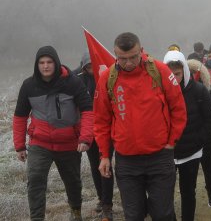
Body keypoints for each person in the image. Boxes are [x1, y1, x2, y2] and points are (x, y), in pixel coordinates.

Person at [94, 32, 187, 221]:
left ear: (141, 51)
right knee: (133, 215)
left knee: (162, 213)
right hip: (127, 161)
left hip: (159, 156)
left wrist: (172, 141)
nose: (128, 63)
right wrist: (104, 155)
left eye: (133, 57)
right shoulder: (107, 78)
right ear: (115, 54)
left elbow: (178, 109)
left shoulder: (160, 71)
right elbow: (101, 121)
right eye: (123, 58)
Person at [13, 46, 94, 221]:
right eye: (41, 62)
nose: (45, 66)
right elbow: (19, 117)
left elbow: (88, 111)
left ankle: (76, 211)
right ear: (37, 65)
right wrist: (19, 146)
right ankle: (36, 217)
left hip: (69, 143)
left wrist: (85, 138)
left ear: (56, 63)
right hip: (39, 143)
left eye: (49, 62)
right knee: (34, 180)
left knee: (72, 182)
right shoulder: (29, 85)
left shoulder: (73, 83)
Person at [164, 51, 211, 221]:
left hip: (191, 152)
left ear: (184, 71)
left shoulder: (199, 91)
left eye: (177, 74)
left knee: (188, 192)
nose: (174, 78)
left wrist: (198, 140)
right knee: (165, 193)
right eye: (170, 74)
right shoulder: (159, 92)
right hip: (166, 152)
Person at [77, 52, 115, 220]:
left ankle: (108, 204)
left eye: (93, 64)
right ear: (83, 66)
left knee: (105, 162)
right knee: (94, 165)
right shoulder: (78, 79)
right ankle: (101, 198)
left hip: (107, 127)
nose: (91, 68)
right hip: (88, 129)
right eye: (88, 66)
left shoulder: (108, 74)